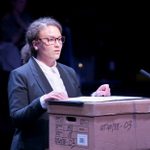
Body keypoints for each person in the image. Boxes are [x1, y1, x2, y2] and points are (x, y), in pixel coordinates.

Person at [8, 17, 111, 150]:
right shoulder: (20, 74)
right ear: (36, 44)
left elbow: (76, 106)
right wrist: (42, 101)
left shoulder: (69, 72)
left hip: (66, 144)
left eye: (59, 39)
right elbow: (17, 119)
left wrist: (95, 97)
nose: (57, 44)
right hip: (35, 145)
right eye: (51, 40)